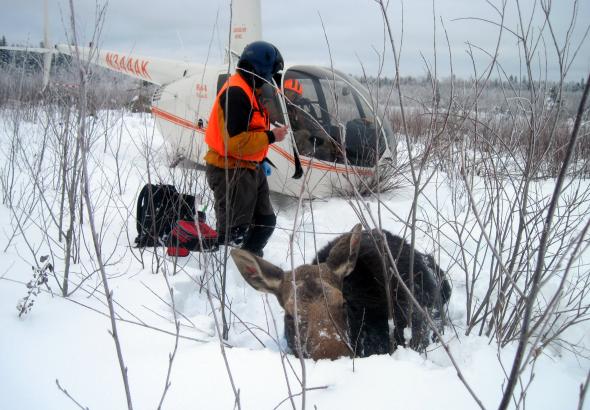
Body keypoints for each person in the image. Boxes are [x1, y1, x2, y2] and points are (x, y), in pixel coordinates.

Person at [204, 41, 289, 256]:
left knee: (266, 222)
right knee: (234, 232)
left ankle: (249, 261)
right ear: (259, 69)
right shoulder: (237, 93)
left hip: (251, 167)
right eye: (270, 73)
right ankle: (231, 276)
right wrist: (271, 136)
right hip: (230, 170)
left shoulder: (251, 89)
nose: (270, 80)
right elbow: (235, 143)